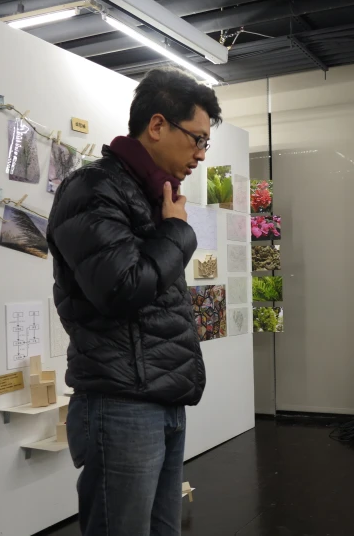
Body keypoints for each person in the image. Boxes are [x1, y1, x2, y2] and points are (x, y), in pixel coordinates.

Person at [47, 67, 222, 536]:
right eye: (197, 139)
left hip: (161, 396)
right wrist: (176, 233)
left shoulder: (152, 196)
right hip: (120, 402)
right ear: (158, 125)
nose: (201, 155)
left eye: (207, 143)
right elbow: (121, 289)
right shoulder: (93, 188)